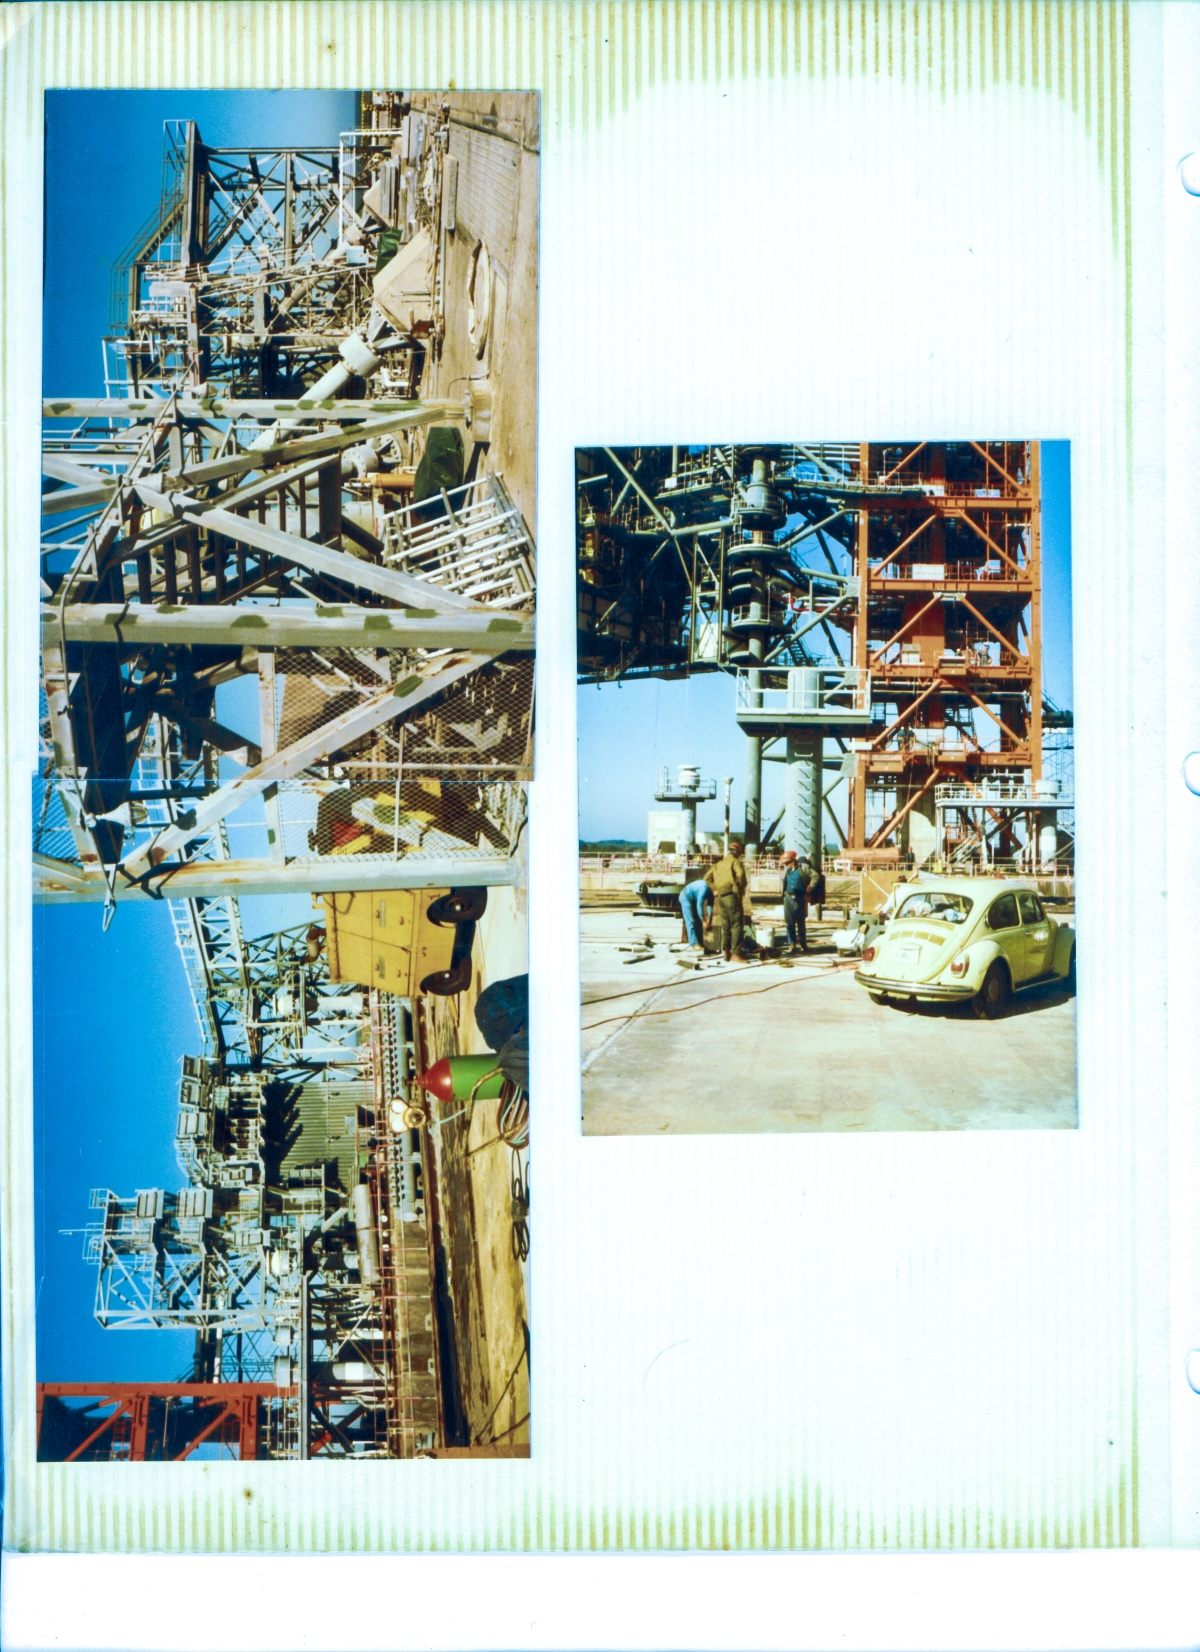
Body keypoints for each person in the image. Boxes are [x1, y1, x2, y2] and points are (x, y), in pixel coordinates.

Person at [711, 840, 749, 961]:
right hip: (732, 897)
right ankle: (736, 953)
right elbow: (741, 876)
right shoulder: (736, 862)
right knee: (737, 924)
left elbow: (707, 877)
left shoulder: (719, 864)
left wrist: (715, 889)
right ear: (738, 852)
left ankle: (726, 951)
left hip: (721, 898)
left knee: (725, 924)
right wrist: (739, 889)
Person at [781, 850, 809, 955]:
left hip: (800, 899)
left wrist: (810, 887)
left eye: (787, 862)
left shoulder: (804, 868)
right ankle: (792, 944)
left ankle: (803, 944)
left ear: (793, 860)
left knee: (801, 923)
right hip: (788, 899)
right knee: (789, 923)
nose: (785, 865)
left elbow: (815, 876)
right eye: (785, 863)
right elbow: (782, 881)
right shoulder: (786, 871)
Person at [678, 873, 714, 949]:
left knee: (697, 921)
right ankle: (693, 944)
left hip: (693, 898)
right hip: (685, 897)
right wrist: (704, 921)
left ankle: (698, 942)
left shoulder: (711, 890)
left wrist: (710, 922)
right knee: (690, 921)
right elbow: (699, 905)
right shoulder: (704, 888)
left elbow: (710, 905)